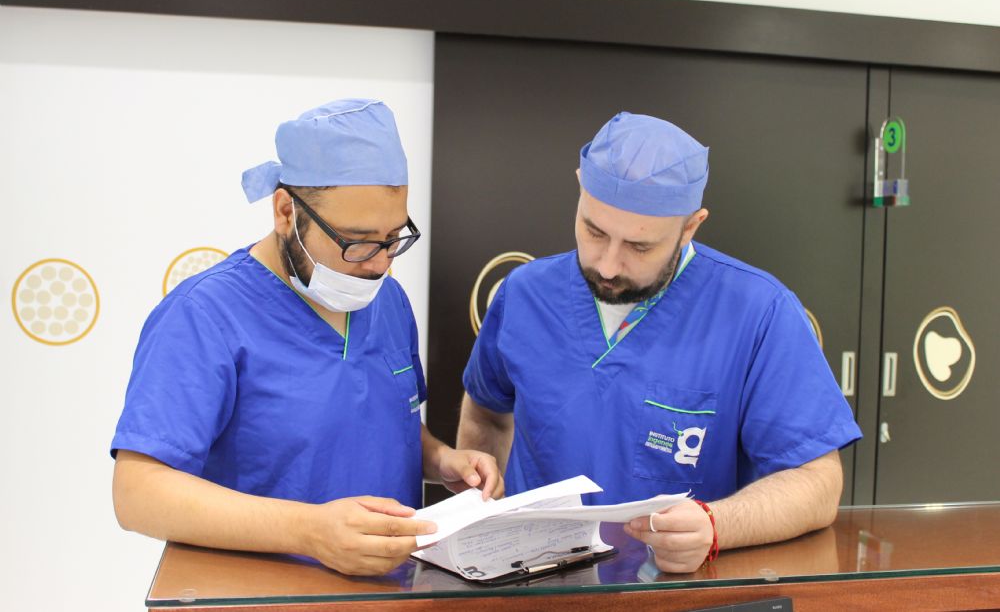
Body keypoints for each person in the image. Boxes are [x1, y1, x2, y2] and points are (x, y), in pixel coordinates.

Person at [457, 111, 862, 574]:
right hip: (537, 588)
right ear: (580, 189)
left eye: (639, 247)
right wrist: (483, 519)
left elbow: (818, 483)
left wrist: (716, 525)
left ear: (691, 226)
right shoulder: (525, 294)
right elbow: (486, 413)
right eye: (594, 231)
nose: (608, 266)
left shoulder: (759, 313)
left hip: (680, 590)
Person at [111, 99, 502, 576]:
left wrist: (441, 459)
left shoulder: (387, 302)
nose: (381, 263)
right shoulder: (204, 316)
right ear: (285, 213)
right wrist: (308, 531)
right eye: (358, 242)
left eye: (393, 237)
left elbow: (382, 423)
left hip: (392, 593)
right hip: (262, 596)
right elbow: (138, 493)